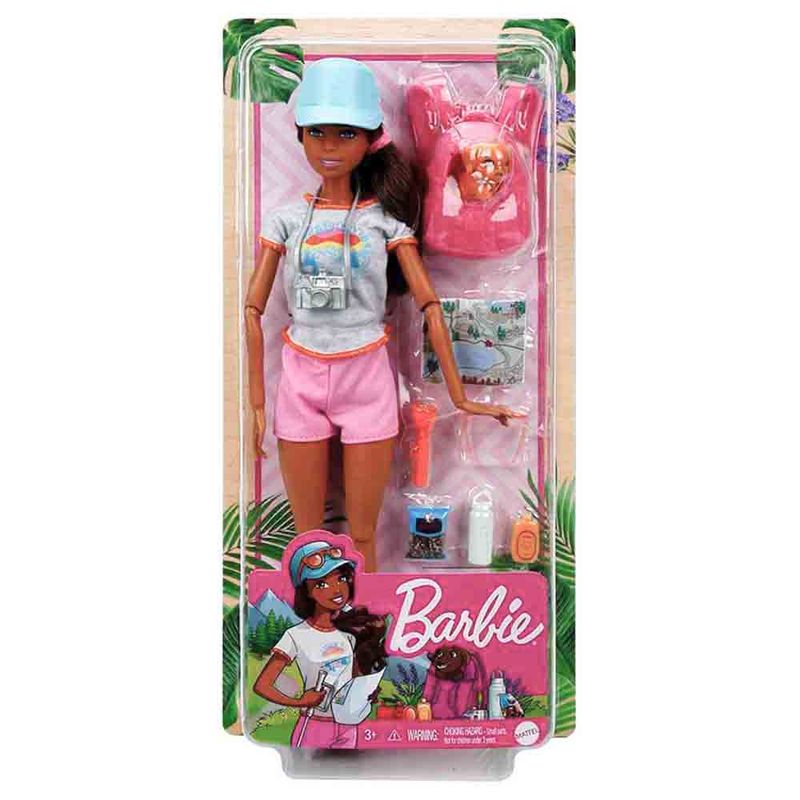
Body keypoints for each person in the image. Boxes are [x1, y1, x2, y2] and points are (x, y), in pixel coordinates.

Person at [245, 58, 522, 570]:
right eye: (317, 132)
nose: (329, 146)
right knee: (308, 539)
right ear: (300, 134)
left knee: (362, 536)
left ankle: (367, 614)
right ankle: (309, 617)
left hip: (367, 375)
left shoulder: (383, 222)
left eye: (346, 133)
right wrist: (257, 403)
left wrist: (462, 396)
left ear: (369, 138)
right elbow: (251, 309)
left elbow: (430, 306)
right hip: (301, 374)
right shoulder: (286, 220)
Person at [252, 538, 379, 749]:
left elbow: (351, 680)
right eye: (321, 584)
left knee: (352, 767)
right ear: (307, 592)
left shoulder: (348, 635)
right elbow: (262, 685)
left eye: (342, 579)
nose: (337, 589)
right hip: (313, 725)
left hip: (348, 726)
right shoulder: (296, 635)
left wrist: (365, 694)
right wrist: (300, 702)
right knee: (309, 765)